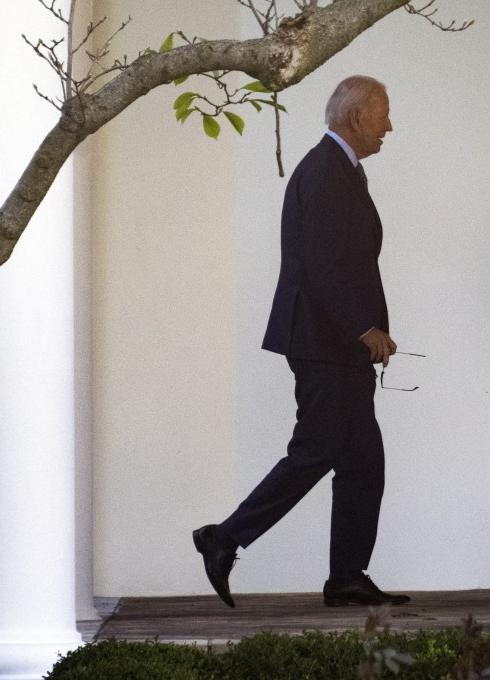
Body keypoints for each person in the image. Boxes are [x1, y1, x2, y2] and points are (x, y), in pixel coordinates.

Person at [192, 75, 409, 608]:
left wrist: (366, 332)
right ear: (358, 117)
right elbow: (323, 267)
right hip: (325, 343)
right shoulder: (327, 172)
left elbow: (342, 262)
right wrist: (364, 328)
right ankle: (222, 538)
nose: (389, 127)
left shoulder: (340, 171)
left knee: (362, 463)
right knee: (315, 451)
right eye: (383, 114)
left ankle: (347, 578)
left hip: (334, 343)